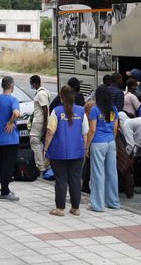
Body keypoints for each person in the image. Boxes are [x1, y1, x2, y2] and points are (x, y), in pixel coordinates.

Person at [44, 86, 89, 217]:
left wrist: (45, 148)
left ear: (61, 97)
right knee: (75, 179)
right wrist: (84, 148)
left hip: (58, 152)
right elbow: (85, 132)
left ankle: (60, 208)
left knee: (61, 179)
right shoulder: (81, 111)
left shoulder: (56, 111)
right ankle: (75, 208)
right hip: (77, 151)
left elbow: (50, 132)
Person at [85, 85, 120, 212]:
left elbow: (92, 130)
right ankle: (113, 202)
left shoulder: (95, 110)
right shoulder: (114, 109)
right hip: (111, 142)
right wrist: (111, 139)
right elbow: (115, 129)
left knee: (97, 174)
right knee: (112, 173)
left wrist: (86, 147)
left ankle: (98, 205)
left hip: (98, 143)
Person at [0, 76, 20, 201]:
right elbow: (16, 113)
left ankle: (4, 189)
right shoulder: (13, 100)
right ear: (12, 86)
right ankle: (5, 192)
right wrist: (11, 122)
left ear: (2, 86)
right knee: (8, 165)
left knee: (2, 164)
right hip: (10, 139)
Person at [29, 75, 51, 174]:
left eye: (31, 83)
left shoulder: (41, 94)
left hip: (39, 121)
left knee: (34, 141)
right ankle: (44, 163)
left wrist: (45, 125)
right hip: (41, 121)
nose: (31, 85)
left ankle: (40, 166)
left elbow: (45, 109)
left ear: (34, 83)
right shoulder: (44, 92)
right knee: (40, 143)